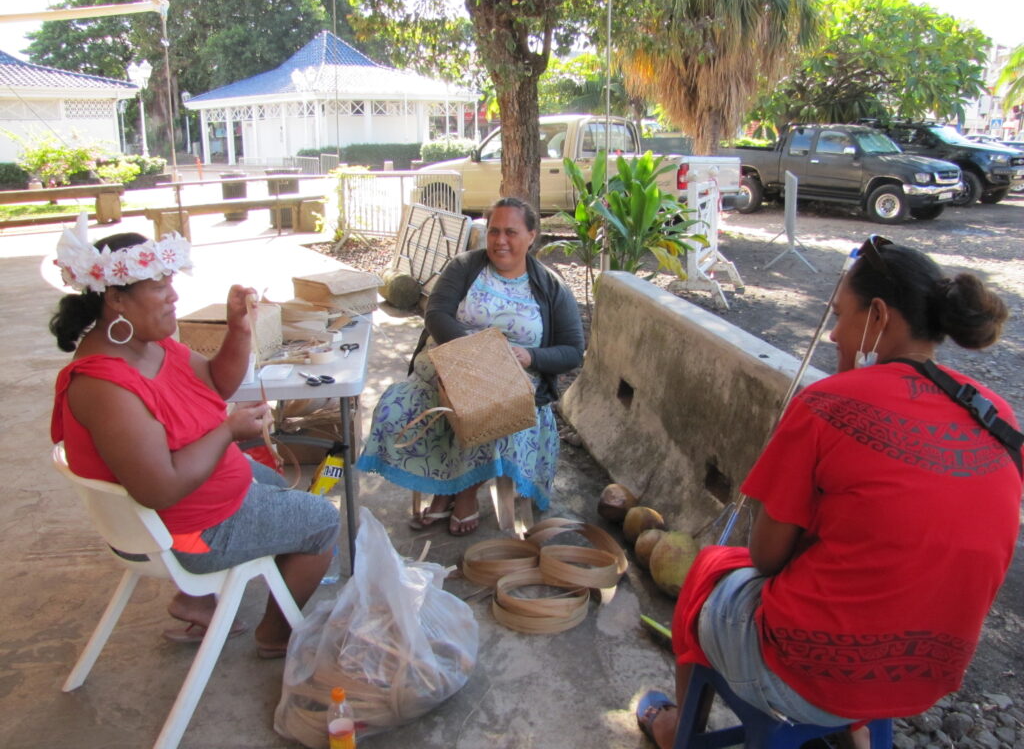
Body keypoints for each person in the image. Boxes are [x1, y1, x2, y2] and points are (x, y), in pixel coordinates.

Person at [636, 237, 1022, 748]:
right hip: (928, 677)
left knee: (709, 569)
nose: (835, 333)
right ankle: (855, 731)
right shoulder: (994, 414)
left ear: (878, 316)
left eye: (841, 315)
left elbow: (767, 557)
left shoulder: (829, 404)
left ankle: (677, 727)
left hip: (807, 676)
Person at [49, 220, 339, 658]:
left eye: (170, 282)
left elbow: (215, 384)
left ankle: (196, 600)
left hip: (196, 505)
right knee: (322, 521)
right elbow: (159, 488)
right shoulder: (105, 387)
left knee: (277, 485)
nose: (174, 296)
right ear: (116, 299)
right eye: (160, 286)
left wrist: (238, 329)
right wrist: (226, 432)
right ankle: (274, 636)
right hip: (189, 535)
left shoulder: (147, 345)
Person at [357, 197, 584, 535]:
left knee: (489, 410)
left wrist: (529, 356)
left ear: (532, 236)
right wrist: (474, 352)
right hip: (448, 368)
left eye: (511, 232)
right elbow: (436, 313)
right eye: (494, 231)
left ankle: (460, 496)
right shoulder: (464, 266)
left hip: (513, 380)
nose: (500, 240)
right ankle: (442, 488)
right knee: (395, 407)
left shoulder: (551, 287)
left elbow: (572, 352)